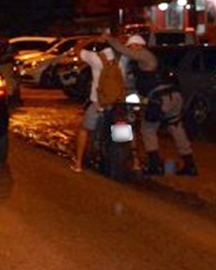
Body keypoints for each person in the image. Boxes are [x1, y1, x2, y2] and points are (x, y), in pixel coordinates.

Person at [106, 34, 197, 176]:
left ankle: (154, 165)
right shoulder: (151, 59)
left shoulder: (143, 55)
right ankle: (189, 164)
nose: (131, 50)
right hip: (174, 96)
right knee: (175, 126)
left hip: (161, 98)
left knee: (147, 129)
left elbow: (124, 52)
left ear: (138, 45)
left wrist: (109, 38)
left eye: (132, 46)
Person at [71, 36, 123, 172]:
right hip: (117, 102)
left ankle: (78, 164)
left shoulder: (95, 59)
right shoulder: (121, 59)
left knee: (84, 129)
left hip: (99, 102)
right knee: (123, 129)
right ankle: (134, 161)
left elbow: (76, 49)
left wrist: (91, 39)